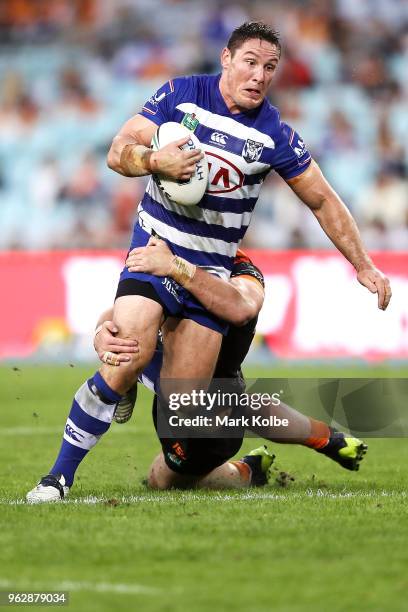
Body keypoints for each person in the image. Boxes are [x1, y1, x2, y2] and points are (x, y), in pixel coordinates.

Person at [26, 244, 366, 501]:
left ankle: (251, 468)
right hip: (189, 395)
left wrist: (177, 268)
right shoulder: (167, 250)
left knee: (164, 477)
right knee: (134, 357)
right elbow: (119, 312)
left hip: (210, 415)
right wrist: (102, 333)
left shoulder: (241, 273)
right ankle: (325, 439)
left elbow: (240, 307)